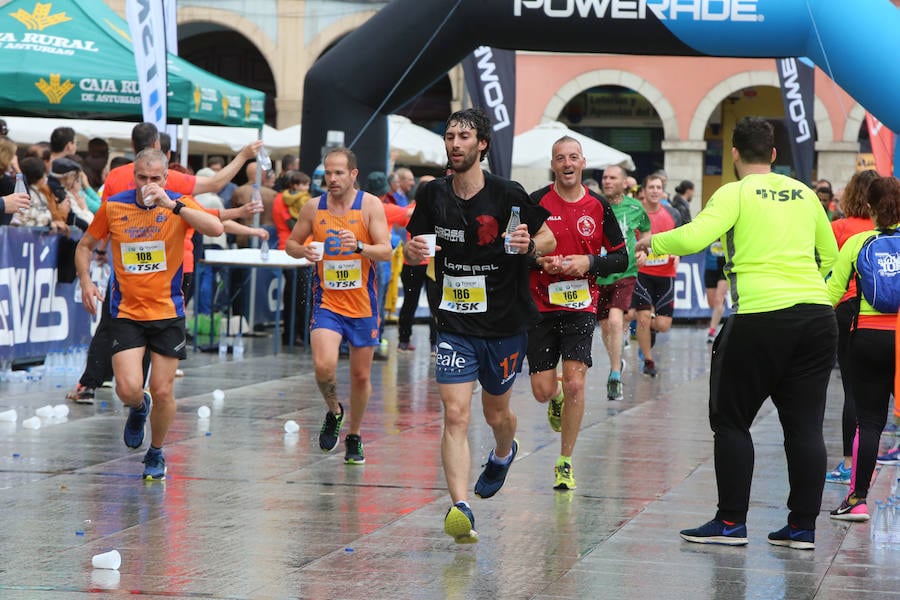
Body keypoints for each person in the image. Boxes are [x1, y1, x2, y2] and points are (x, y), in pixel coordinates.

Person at [637, 117, 838, 550]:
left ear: (733, 155)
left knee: (730, 420)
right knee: (805, 427)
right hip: (817, 317)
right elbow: (832, 256)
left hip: (760, 318)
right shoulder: (805, 194)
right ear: (773, 155)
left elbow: (695, 237)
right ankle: (802, 527)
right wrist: (812, 292)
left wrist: (651, 244)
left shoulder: (736, 191)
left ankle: (731, 523)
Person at [403, 108, 555, 543]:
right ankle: (460, 506)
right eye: (449, 136)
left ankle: (505, 452)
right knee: (454, 413)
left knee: (497, 413)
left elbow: (546, 238)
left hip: (505, 323)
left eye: (463, 136)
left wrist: (529, 244)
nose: (454, 143)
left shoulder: (508, 193)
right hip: (453, 321)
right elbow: (415, 246)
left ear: (481, 145)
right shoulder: (433, 194)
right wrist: (413, 252)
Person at [74, 149, 224, 480]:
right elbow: (85, 245)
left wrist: (173, 206)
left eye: (155, 178)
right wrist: (86, 282)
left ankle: (156, 451)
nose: (148, 184)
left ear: (165, 178)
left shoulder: (178, 202)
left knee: (163, 390)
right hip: (126, 311)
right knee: (127, 389)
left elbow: (215, 228)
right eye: (142, 177)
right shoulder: (115, 206)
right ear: (134, 176)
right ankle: (138, 408)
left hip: (167, 311)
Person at [527, 136, 626, 491]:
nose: (567, 163)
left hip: (580, 304)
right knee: (542, 389)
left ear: (583, 162)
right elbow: (514, 247)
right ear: (553, 164)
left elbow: (621, 258)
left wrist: (590, 261)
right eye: (560, 158)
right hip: (539, 303)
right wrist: (539, 259)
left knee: (575, 383)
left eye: (573, 157)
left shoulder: (599, 206)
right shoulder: (536, 201)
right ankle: (553, 399)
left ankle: (565, 462)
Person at [285, 147, 392, 464]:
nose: (331, 179)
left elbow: (385, 250)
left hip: (362, 306)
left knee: (361, 377)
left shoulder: (370, 205)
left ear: (353, 174)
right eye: (327, 173)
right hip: (327, 303)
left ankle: (355, 435)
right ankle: (334, 410)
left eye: (338, 173)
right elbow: (291, 244)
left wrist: (359, 246)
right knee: (323, 366)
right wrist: (303, 252)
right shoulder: (313, 208)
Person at [827, 176, 899, 522]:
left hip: (868, 337)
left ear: (869, 207)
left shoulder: (857, 243)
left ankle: (857, 500)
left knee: (869, 421)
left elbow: (830, 294)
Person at [824, 169, 880, 484]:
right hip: (880, 314)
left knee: (851, 389)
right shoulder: (884, 230)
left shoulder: (838, 228)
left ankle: (849, 462)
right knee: (879, 389)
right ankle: (876, 454)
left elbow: (825, 270)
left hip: (845, 310)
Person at [595, 165, 650, 401]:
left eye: (612, 178)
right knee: (606, 327)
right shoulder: (594, 205)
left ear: (624, 182)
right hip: (598, 273)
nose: (607, 181)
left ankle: (615, 374)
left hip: (625, 271)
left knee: (616, 320)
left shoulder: (635, 207)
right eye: (605, 177)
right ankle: (617, 361)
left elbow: (646, 231)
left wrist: (644, 251)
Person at [631, 173, 682, 377]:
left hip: (665, 274)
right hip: (642, 273)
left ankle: (645, 327)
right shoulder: (637, 215)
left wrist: (677, 254)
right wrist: (637, 252)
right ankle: (648, 360)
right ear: (643, 191)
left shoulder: (672, 214)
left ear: (662, 191)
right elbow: (628, 241)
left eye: (658, 187)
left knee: (663, 325)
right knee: (643, 318)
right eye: (650, 187)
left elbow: (679, 240)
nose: (654, 191)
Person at [703, 240, 729, 343]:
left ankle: (712, 330)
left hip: (725, 268)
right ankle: (720, 303)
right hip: (711, 268)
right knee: (712, 303)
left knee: (718, 299)